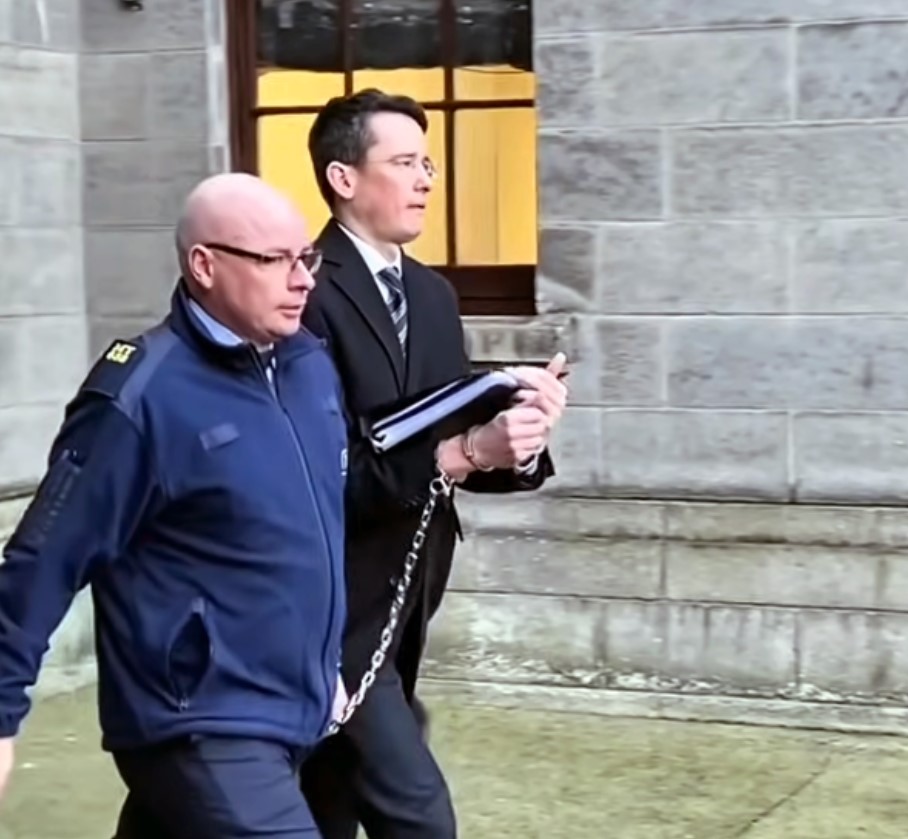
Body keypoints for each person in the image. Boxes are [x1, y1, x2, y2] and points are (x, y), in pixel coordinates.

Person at [0, 173, 348, 838]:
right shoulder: (140, 395)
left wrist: (322, 658)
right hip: (198, 721)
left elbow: (314, 522)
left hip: (291, 708)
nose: (303, 278)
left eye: (307, 256)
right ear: (204, 265)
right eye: (275, 259)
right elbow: (43, 556)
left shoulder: (308, 366)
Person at [297, 89, 568, 839]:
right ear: (343, 177)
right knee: (417, 812)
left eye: (429, 164)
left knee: (324, 802)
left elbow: (453, 435)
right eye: (405, 162)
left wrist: (517, 440)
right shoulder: (302, 292)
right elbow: (321, 474)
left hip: (410, 588)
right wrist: (462, 452)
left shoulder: (433, 293)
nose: (425, 179)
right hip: (332, 603)